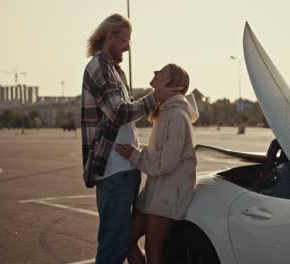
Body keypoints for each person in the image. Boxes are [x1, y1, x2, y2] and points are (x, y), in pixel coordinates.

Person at [81, 14, 179, 264]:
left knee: (122, 243)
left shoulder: (115, 71)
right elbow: (119, 112)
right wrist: (154, 97)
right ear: (110, 37)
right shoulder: (99, 68)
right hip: (114, 171)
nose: (127, 47)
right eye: (125, 41)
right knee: (112, 248)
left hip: (124, 168)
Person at [114, 63, 199, 264]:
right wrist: (136, 149)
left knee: (153, 249)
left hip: (168, 194)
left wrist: (134, 155)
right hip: (155, 190)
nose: (154, 73)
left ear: (173, 84)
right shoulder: (165, 112)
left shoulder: (178, 116)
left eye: (160, 72)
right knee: (126, 240)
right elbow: (160, 154)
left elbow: (166, 162)